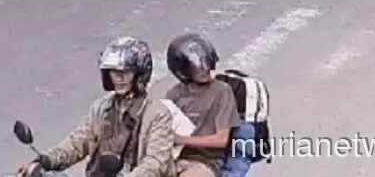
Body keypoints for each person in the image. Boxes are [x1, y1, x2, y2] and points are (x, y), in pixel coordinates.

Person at [15, 37, 174, 177]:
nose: (119, 78)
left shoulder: (157, 114)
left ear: (139, 74)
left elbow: (155, 163)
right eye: (113, 72)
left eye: (125, 72)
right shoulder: (102, 107)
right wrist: (46, 159)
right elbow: (77, 142)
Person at [165, 34, 242, 177]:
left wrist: (181, 139)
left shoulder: (222, 91)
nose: (204, 71)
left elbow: (222, 140)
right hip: (174, 158)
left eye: (206, 65)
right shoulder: (174, 94)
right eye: (196, 68)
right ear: (182, 70)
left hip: (206, 161)